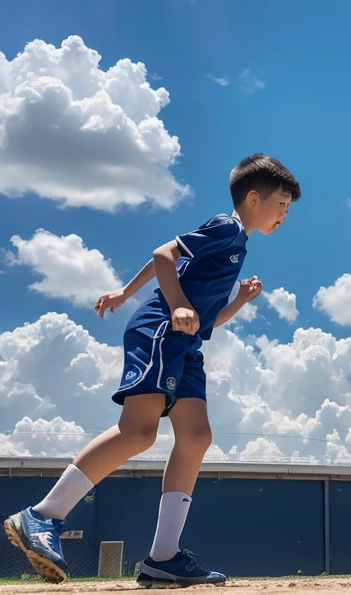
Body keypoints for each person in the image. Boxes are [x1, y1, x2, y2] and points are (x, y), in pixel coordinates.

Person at [4, 154, 300, 587]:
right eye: (282, 205)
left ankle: (163, 558)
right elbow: (165, 253)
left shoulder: (234, 247)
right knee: (138, 432)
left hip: (188, 344)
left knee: (197, 436)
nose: (284, 215)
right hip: (161, 331)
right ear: (253, 198)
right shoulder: (227, 228)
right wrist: (169, 302)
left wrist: (237, 302)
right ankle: (41, 515)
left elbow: (205, 317)